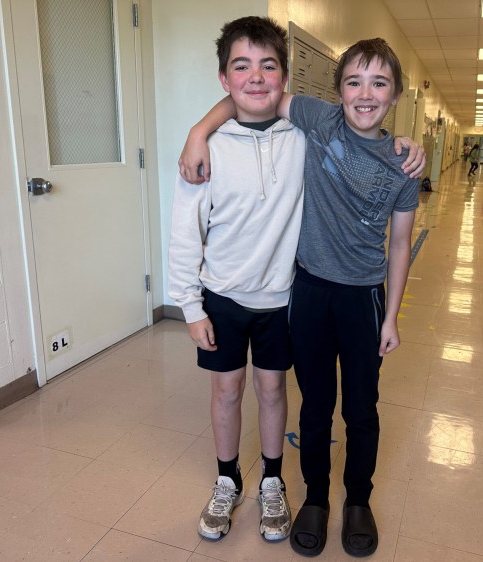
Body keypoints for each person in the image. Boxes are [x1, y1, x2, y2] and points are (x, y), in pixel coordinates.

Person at [179, 37, 421, 558]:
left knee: (361, 407)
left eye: (379, 83)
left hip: (363, 298)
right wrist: (199, 131)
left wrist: (392, 315)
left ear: (396, 94)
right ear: (336, 93)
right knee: (315, 406)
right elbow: (252, 95)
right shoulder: (319, 120)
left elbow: (400, 243)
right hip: (307, 291)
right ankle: (314, 497)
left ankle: (358, 500)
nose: (365, 93)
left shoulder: (403, 165)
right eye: (354, 81)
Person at [167, 16, 305, 543]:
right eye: (241, 66)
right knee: (227, 390)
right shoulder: (206, 149)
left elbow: (358, 122)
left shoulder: (302, 139)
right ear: (224, 79)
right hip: (221, 296)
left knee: (272, 390)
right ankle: (228, 479)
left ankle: (273, 482)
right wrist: (191, 306)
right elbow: (186, 233)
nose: (255, 77)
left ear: (284, 76)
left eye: (268, 65)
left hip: (282, 299)